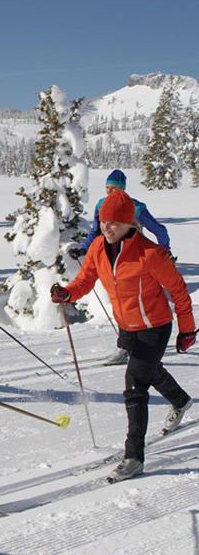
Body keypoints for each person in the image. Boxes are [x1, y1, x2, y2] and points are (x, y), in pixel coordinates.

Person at [51, 190, 195, 483]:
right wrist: (68, 293)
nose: (107, 227)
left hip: (155, 327)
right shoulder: (98, 249)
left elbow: (179, 291)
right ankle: (180, 401)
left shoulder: (150, 253)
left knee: (134, 385)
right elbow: (85, 280)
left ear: (130, 223)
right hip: (127, 327)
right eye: (104, 220)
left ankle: (134, 457)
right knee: (149, 370)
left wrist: (188, 329)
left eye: (115, 222)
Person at [69, 169, 172, 366]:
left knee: (134, 302)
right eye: (107, 188)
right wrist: (84, 250)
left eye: (114, 189)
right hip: (110, 256)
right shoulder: (101, 205)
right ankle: (125, 347)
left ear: (123, 189)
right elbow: (95, 232)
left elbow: (160, 230)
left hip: (134, 258)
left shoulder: (136, 207)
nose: (110, 193)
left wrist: (165, 251)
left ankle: (134, 347)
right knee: (120, 303)